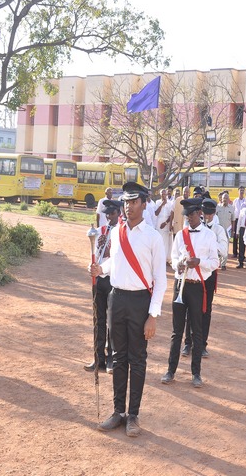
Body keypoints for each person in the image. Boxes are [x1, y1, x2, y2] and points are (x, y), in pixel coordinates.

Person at [88, 182, 167, 437]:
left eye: (133, 202)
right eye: (126, 202)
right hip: (117, 299)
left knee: (137, 359)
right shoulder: (116, 232)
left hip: (140, 302)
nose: (128, 207)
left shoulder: (153, 237)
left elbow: (160, 279)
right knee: (118, 357)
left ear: (144, 204)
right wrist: (101, 268)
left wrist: (153, 315)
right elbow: (115, 261)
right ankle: (118, 412)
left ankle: (133, 415)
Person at [161, 198, 218, 388]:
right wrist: (178, 264)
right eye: (186, 215)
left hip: (197, 286)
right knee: (176, 331)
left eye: (191, 215)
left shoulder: (209, 235)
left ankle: (196, 373)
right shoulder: (180, 235)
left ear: (199, 213)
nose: (188, 219)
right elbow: (174, 257)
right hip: (180, 285)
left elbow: (215, 262)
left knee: (197, 331)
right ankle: (171, 371)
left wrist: (199, 262)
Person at [179, 198, 229, 358]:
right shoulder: (192, 226)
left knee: (205, 309)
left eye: (209, 214)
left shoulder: (218, 230)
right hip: (192, 272)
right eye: (204, 213)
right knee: (189, 308)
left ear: (214, 213)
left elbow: (224, 251)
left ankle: (202, 344)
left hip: (208, 272)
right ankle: (188, 343)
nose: (206, 216)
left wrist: (209, 241)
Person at [84, 199, 122, 374]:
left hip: (113, 279)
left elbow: (119, 258)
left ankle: (111, 359)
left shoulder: (122, 232)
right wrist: (91, 265)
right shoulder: (100, 231)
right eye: (107, 214)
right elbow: (94, 254)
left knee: (112, 321)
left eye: (112, 214)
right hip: (99, 279)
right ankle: (98, 357)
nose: (109, 217)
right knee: (98, 319)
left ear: (119, 213)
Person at [215, 192, 234, 270]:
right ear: (221, 199)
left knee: (226, 247)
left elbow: (233, 220)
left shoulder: (231, 208)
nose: (225, 200)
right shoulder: (217, 207)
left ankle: (223, 264)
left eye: (226, 198)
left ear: (228, 199)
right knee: (217, 246)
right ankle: (218, 262)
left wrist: (232, 230)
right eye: (224, 198)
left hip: (227, 231)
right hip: (218, 231)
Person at [154, 189, 174, 264]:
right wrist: (162, 204)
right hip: (159, 224)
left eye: (165, 194)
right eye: (162, 194)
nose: (164, 195)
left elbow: (171, 215)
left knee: (165, 243)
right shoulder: (157, 202)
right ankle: (158, 259)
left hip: (166, 224)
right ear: (160, 195)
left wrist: (165, 223)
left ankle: (164, 260)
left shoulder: (170, 203)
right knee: (159, 242)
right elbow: (156, 213)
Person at [232, 186, 246, 257]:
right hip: (236, 219)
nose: (241, 192)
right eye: (240, 190)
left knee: (242, 237)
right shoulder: (235, 201)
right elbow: (233, 210)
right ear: (238, 191)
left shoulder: (245, 201)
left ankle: (242, 254)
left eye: (243, 190)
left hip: (243, 221)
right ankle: (235, 253)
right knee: (235, 236)